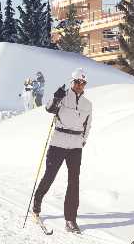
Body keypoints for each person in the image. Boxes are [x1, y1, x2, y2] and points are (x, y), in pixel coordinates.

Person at [32, 68, 93, 234]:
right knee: (50, 175)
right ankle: (37, 202)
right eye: (77, 82)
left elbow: (88, 125)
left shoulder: (88, 104)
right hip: (58, 142)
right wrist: (56, 97)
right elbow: (49, 108)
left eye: (83, 83)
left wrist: (83, 140)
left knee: (74, 182)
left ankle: (70, 219)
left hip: (75, 146)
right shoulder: (62, 97)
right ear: (72, 81)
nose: (80, 85)